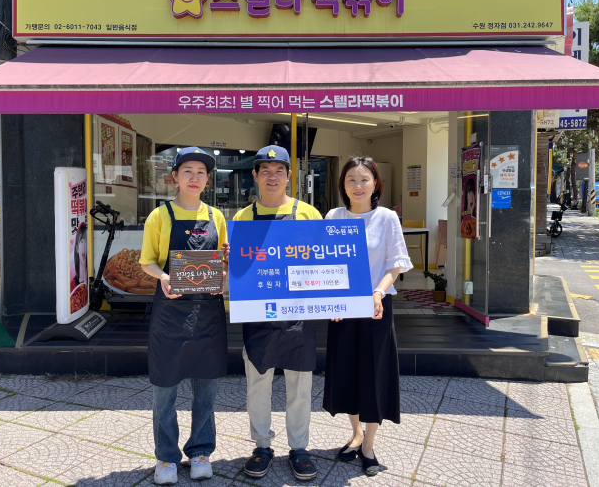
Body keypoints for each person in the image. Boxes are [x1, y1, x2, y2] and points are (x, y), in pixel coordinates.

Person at [231, 145, 322, 481]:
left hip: (298, 313)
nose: (272, 177)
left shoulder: (308, 214)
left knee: (300, 386)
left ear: (289, 175)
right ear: (255, 175)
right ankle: (262, 445)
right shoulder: (241, 218)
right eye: (265, 171)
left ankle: (299, 448)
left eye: (279, 171)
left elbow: (323, 261)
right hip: (258, 315)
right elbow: (236, 270)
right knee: (258, 384)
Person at [140, 147, 230, 485]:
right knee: (164, 386)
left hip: (207, 312)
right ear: (175, 177)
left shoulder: (217, 216)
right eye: (187, 171)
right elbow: (147, 261)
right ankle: (166, 456)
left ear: (208, 180)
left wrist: (225, 267)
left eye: (201, 172)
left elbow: (221, 261)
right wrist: (163, 276)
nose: (194, 177)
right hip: (170, 312)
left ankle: (201, 451)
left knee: (206, 386)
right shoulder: (159, 216)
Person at [322, 156, 413, 477]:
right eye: (351, 179)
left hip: (376, 308)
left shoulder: (386, 218)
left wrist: (378, 292)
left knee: (374, 374)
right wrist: (331, 298)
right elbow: (324, 262)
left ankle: (369, 445)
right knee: (346, 371)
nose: (358, 185)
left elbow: (395, 264)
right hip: (342, 307)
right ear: (342, 185)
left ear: (376, 184)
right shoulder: (333, 216)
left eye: (364, 179)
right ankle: (356, 434)